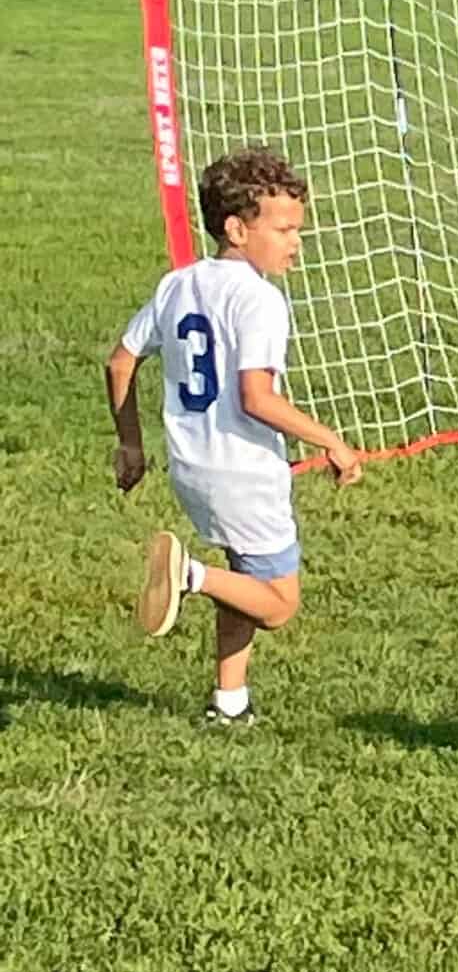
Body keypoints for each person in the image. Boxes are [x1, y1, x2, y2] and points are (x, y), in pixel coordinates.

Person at [108, 148, 362, 728]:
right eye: (284, 229)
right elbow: (257, 398)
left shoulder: (178, 285)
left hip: (192, 467)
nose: (296, 242)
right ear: (237, 228)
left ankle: (230, 703)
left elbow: (120, 362)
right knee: (278, 605)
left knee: (245, 581)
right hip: (244, 473)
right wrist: (333, 441)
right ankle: (186, 576)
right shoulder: (259, 299)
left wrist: (130, 446)